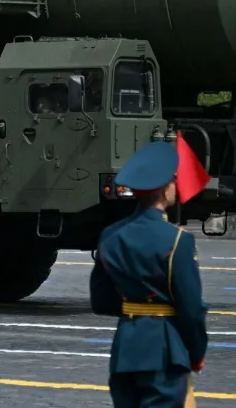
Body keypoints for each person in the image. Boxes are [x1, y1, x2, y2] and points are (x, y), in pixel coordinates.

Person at [89, 141, 208, 407]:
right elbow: (191, 309)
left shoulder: (110, 236)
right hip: (165, 352)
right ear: (166, 191)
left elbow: (101, 301)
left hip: (125, 353)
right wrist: (196, 353)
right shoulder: (178, 240)